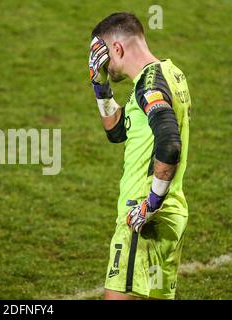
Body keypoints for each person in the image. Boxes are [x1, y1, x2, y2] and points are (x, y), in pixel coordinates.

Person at [88, 12, 191, 300]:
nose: (104, 64)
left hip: (142, 218)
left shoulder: (149, 86)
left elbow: (169, 144)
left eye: (104, 58)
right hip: (171, 214)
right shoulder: (170, 75)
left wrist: (150, 204)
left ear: (117, 49)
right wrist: (100, 86)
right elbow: (119, 132)